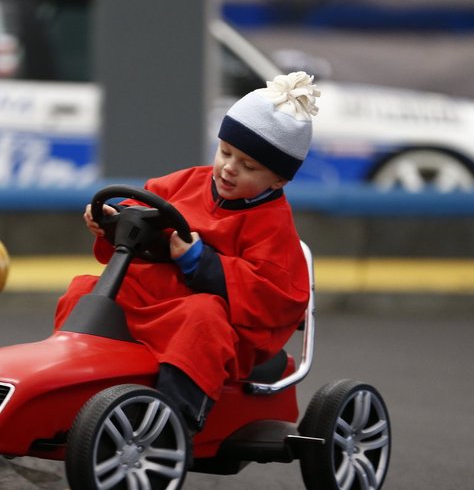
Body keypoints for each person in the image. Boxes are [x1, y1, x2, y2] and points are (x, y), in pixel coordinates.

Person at [54, 72, 318, 432]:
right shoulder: (185, 182)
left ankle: (174, 422)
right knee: (82, 291)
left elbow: (277, 294)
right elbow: (139, 205)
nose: (229, 168)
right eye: (225, 152)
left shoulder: (272, 225)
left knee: (202, 316)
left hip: (216, 327)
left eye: (249, 166)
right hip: (153, 299)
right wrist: (112, 221)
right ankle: (70, 389)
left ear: (279, 180)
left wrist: (201, 263)